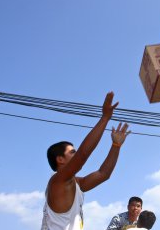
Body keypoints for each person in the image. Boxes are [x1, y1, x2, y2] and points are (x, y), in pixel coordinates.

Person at [41, 92, 131, 230]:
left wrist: (116, 146)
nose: (75, 154)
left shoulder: (77, 183)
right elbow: (82, 155)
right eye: (72, 152)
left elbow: (103, 173)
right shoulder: (57, 182)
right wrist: (105, 118)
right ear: (60, 159)